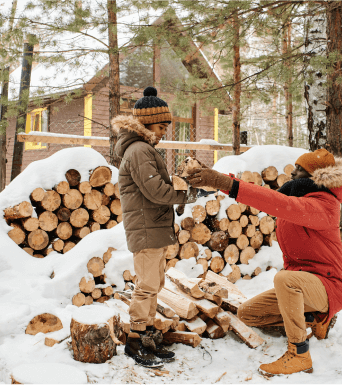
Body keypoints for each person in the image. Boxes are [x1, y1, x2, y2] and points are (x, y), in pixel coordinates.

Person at [188, 148, 342, 376]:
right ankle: (314, 318)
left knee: (284, 279)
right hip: (302, 285)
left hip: (329, 287)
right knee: (248, 314)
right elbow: (268, 196)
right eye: (294, 167)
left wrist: (228, 185)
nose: (293, 174)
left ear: (316, 177)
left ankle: (299, 353)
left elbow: (279, 204)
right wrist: (223, 181)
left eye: (300, 170)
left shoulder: (323, 206)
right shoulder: (298, 198)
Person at [112, 86, 196, 368]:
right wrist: (185, 194)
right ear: (146, 124)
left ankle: (147, 335)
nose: (164, 132)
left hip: (154, 228)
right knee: (146, 286)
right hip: (146, 229)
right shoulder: (138, 150)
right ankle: (135, 341)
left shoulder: (144, 149)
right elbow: (156, 191)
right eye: (161, 126)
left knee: (154, 284)